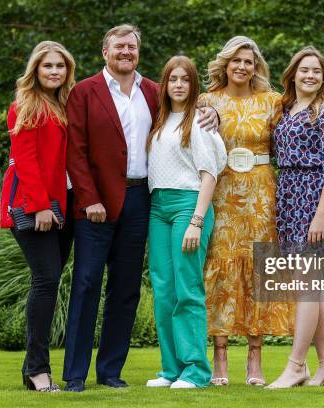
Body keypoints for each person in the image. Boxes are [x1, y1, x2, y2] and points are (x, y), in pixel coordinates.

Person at [64, 25, 219, 392]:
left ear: (138, 52)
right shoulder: (84, 92)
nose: (126, 52)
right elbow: (76, 152)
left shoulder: (154, 91)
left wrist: (215, 114)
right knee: (86, 284)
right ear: (105, 52)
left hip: (141, 202)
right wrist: (88, 200)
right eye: (119, 46)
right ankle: (74, 374)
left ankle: (110, 371)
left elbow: (189, 111)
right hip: (96, 204)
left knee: (127, 288)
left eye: (132, 47)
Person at [200, 36, 295, 386]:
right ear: (225, 63)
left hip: (261, 193)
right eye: (236, 60)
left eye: (248, 62)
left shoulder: (272, 102)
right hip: (221, 192)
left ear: (256, 67)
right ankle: (220, 357)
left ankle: (255, 357)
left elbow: (293, 138)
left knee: (259, 269)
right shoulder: (208, 101)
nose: (242, 66)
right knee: (220, 270)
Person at [145, 56, 227, 389]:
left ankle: (195, 370)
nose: (178, 85)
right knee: (163, 290)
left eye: (185, 79)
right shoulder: (160, 120)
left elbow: (210, 175)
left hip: (188, 206)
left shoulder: (199, 123)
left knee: (187, 288)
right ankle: (171, 369)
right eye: (172, 79)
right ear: (164, 85)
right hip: (158, 208)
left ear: (194, 86)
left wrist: (196, 221)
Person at [0, 41, 76, 392]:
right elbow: (25, 160)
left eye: (60, 66)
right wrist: (40, 205)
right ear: (36, 70)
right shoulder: (24, 106)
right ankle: (39, 371)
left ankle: (31, 369)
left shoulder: (63, 105)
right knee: (46, 281)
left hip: (61, 207)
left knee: (46, 282)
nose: (55, 72)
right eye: (48, 66)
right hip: (35, 207)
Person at [266, 46, 324, 389]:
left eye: (317, 71)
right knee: (313, 288)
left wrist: (320, 217)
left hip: (314, 200)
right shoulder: (285, 109)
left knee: (306, 286)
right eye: (305, 70)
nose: (310, 75)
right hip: (290, 196)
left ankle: (296, 366)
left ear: (323, 78)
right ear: (293, 74)